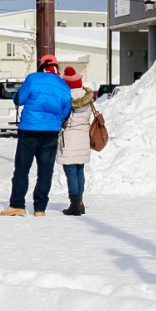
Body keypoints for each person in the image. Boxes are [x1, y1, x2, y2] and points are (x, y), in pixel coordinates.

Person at [3, 56, 73, 215]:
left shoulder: (33, 78)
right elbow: (65, 111)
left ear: (42, 66)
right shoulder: (64, 86)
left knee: (22, 169)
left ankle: (17, 205)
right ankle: (40, 208)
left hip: (29, 130)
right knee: (45, 171)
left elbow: (20, 99)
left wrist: (16, 97)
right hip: (51, 133)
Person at [58, 68, 96, 216]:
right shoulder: (87, 97)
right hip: (83, 137)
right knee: (80, 170)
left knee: (71, 171)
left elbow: (62, 117)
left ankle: (74, 204)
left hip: (69, 138)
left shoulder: (65, 96)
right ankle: (80, 202)